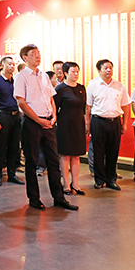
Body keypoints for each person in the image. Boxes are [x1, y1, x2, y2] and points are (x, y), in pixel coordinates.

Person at [13, 44, 78, 211]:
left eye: (38, 53)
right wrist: (38, 120)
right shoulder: (21, 77)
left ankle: (59, 198)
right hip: (32, 123)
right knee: (32, 162)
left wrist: (54, 116)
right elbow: (21, 102)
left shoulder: (43, 76)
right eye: (33, 54)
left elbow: (50, 98)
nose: (38, 56)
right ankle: (34, 198)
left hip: (48, 123)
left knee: (53, 161)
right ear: (25, 58)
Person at [85, 59, 130, 190]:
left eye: (110, 67)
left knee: (113, 151)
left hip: (115, 121)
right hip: (98, 121)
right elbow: (88, 107)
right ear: (99, 70)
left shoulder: (120, 86)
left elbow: (125, 106)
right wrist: (87, 124)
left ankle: (111, 179)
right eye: (105, 68)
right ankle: (99, 180)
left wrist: (125, 123)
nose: (109, 70)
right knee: (98, 151)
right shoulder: (93, 85)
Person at [0, 56, 24, 187]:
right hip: (3, 115)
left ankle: (12, 174)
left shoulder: (15, 81)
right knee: (1, 146)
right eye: (9, 64)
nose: (12, 66)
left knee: (14, 147)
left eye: (13, 64)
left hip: (16, 116)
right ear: (2, 66)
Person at [54, 62, 87, 195]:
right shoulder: (60, 89)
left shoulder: (81, 88)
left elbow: (84, 107)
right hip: (65, 124)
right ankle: (66, 184)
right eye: (73, 71)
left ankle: (75, 183)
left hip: (78, 124)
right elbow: (54, 108)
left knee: (76, 155)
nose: (76, 74)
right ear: (66, 73)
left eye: (77, 71)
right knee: (65, 155)